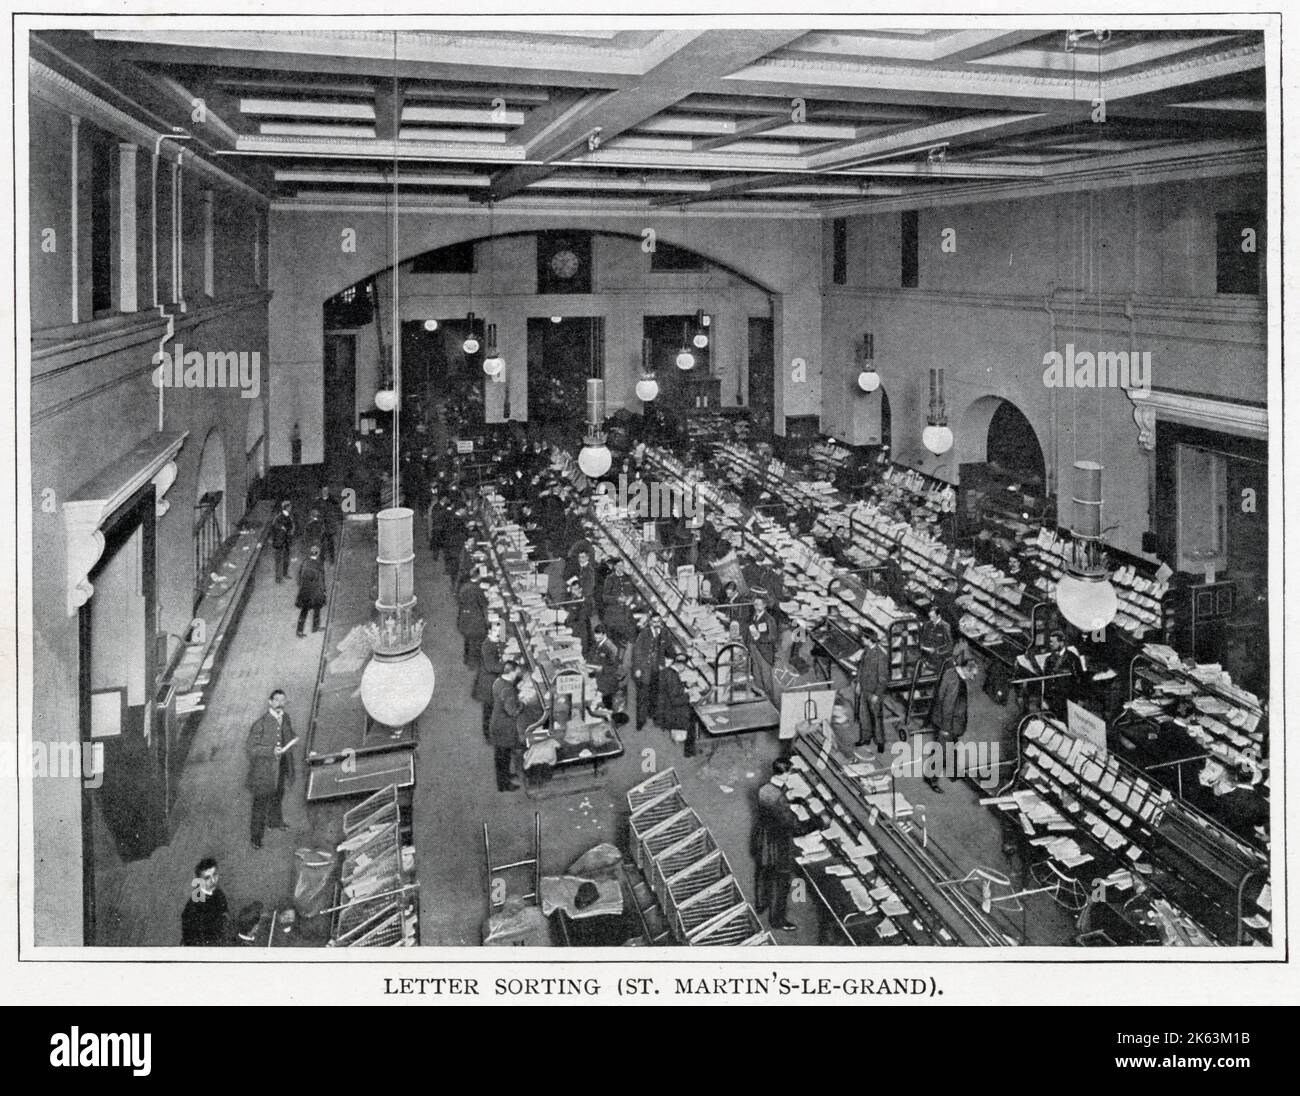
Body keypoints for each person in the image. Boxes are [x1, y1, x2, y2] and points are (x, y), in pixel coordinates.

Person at [751, 759, 822, 933]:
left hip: (762, 839)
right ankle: (777, 921)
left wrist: (789, 799)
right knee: (781, 883)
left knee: (762, 872)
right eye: (790, 773)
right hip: (778, 845)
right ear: (785, 774)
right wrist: (818, 821)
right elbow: (796, 827)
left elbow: (774, 803)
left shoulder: (765, 788)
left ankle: (761, 904)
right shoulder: (779, 800)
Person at [246, 689, 295, 847]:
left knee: (278, 795)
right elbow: (251, 749)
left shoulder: (285, 718)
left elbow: (288, 734)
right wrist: (270, 751)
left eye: (283, 701)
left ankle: (275, 821)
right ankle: (256, 838)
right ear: (270, 702)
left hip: (280, 767)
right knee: (260, 805)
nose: (280, 704)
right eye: (277, 700)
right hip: (264, 773)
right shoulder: (260, 724)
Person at [926, 655, 973, 794]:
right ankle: (932, 778)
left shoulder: (951, 672)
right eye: (972, 674)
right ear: (966, 669)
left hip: (950, 723)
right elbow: (947, 706)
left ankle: (953, 772)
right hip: (948, 724)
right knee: (942, 752)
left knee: (951, 748)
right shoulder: (955, 682)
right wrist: (945, 729)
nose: (973, 678)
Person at [855, 630, 891, 751]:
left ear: (869, 639)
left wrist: (877, 694)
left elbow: (883, 678)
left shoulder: (880, 655)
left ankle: (880, 742)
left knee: (876, 717)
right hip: (864, 689)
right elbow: (861, 668)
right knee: (864, 716)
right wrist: (859, 684)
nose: (862, 640)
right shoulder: (866, 651)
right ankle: (865, 738)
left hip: (874, 692)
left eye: (863, 638)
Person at [490, 662, 523, 792]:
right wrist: (521, 704)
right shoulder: (508, 690)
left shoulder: (498, 681)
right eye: (516, 672)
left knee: (500, 756)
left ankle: (504, 777)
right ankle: (504, 784)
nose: (517, 675)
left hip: (496, 723)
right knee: (504, 756)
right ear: (511, 672)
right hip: (505, 728)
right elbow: (512, 711)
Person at [630, 614, 667, 731]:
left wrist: (663, 664)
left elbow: (664, 649)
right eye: (654, 622)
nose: (656, 624)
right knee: (642, 696)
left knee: (655, 693)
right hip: (644, 669)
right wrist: (637, 668)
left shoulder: (663, 633)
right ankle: (640, 721)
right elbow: (637, 652)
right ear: (650, 622)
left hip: (656, 669)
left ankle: (652, 715)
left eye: (658, 622)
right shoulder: (644, 634)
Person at [181, 857, 229, 946]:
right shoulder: (195, 904)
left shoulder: (219, 894)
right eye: (207, 878)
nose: (213, 880)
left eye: (215, 875)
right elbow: (193, 939)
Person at [657, 646, 694, 753]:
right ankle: (683, 743)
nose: (685, 669)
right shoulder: (673, 677)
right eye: (685, 667)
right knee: (690, 712)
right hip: (671, 711)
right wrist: (689, 696)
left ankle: (677, 736)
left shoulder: (667, 671)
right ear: (681, 665)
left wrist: (684, 685)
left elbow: (672, 689)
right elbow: (675, 701)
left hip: (663, 706)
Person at [475, 618, 507, 739]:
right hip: (488, 684)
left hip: (493, 682)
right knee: (489, 709)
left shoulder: (496, 641)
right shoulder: (487, 645)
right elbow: (491, 666)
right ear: (489, 631)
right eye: (495, 631)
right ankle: (488, 734)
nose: (497, 633)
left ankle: (490, 732)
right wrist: (508, 666)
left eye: (499, 631)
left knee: (492, 708)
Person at [1042, 629, 1085, 715]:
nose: (1050, 644)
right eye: (1050, 642)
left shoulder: (1072, 658)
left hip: (1068, 701)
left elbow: (1080, 679)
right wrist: (1045, 699)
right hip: (1052, 702)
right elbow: (1046, 681)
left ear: (1061, 643)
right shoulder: (1048, 659)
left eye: (1053, 642)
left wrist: (1081, 699)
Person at [747, 592, 778, 699]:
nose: (756, 607)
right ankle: (760, 696)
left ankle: (770, 699)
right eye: (755, 605)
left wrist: (760, 637)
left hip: (765, 652)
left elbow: (773, 637)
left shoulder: (769, 619)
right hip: (754, 648)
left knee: (766, 676)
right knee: (757, 674)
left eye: (758, 605)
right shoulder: (754, 617)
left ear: (764, 605)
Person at [456, 571, 489, 668]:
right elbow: (484, 603)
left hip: (464, 620)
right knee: (476, 642)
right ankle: (473, 663)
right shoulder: (476, 589)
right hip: (475, 623)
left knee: (468, 641)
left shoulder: (465, 586)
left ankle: (467, 659)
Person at [589, 622, 623, 711]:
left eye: (598, 636)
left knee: (608, 705)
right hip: (601, 679)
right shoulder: (599, 644)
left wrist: (602, 669)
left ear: (604, 634)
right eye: (595, 636)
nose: (596, 638)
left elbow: (616, 666)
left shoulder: (610, 647)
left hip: (608, 681)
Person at [295, 545, 327, 636]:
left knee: (304, 611)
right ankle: (315, 628)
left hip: (305, 591)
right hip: (315, 591)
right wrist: (323, 591)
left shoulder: (305, 562)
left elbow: (299, 577)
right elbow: (321, 580)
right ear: (318, 553)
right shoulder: (319, 564)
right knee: (317, 609)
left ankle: (299, 631)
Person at [269, 499, 296, 583]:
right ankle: (278, 578)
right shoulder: (278, 518)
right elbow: (274, 528)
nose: (291, 508)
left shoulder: (289, 517)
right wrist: (282, 528)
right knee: (279, 560)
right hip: (279, 542)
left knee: (286, 558)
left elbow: (291, 527)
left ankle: (284, 574)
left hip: (286, 541)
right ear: (286, 508)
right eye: (289, 506)